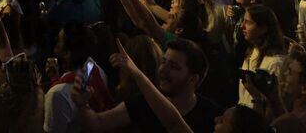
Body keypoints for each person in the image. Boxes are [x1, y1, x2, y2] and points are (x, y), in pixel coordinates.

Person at [74, 38, 223, 132]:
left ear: (193, 79)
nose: (163, 69)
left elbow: (172, 122)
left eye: (173, 66)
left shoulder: (213, 118)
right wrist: (82, 105)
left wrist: (137, 73)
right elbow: (97, 123)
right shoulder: (144, 101)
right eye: (163, 61)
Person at [238, 4, 286, 108]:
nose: (242, 26)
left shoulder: (275, 62)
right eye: (243, 21)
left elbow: (276, 102)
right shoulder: (252, 51)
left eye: (248, 22)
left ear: (264, 28)